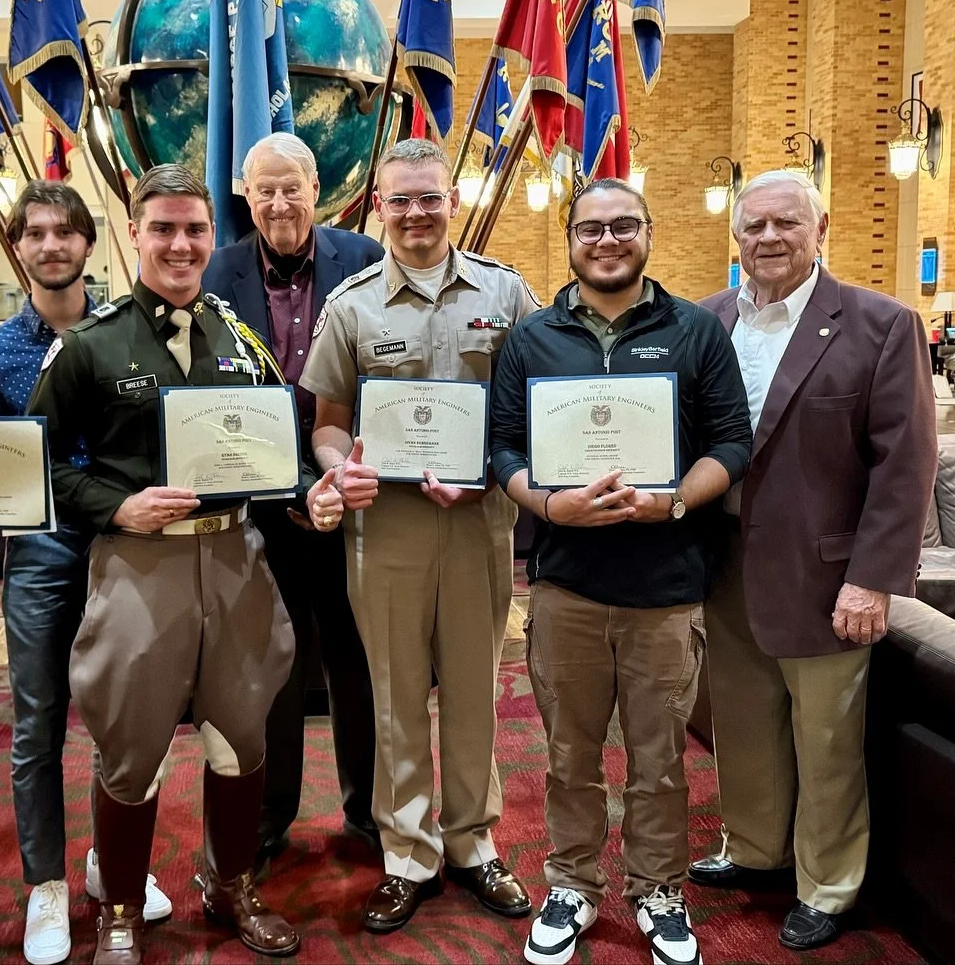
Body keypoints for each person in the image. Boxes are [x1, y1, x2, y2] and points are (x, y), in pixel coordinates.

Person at [25, 163, 346, 965]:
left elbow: (277, 451)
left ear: (213, 235)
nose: (179, 243)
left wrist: (312, 497)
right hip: (140, 567)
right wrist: (113, 505)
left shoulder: (239, 338)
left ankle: (229, 883)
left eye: (194, 229)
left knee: (241, 737)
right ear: (133, 234)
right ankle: (123, 909)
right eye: (162, 228)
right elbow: (33, 463)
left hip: (237, 557)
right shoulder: (91, 346)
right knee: (130, 746)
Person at [487, 178, 753, 965]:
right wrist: (546, 503)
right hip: (567, 583)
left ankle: (657, 888)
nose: (608, 240)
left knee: (659, 758)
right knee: (568, 755)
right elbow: (503, 446)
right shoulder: (532, 337)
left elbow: (732, 445)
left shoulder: (698, 331)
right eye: (591, 228)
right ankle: (571, 881)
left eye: (624, 226)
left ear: (649, 231)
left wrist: (672, 501)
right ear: (569, 238)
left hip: (667, 588)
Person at [689, 170, 937, 951]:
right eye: (753, 225)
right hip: (721, 564)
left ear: (820, 226)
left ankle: (827, 883)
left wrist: (872, 577)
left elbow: (906, 463)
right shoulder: (707, 319)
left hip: (827, 576)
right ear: (736, 237)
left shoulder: (881, 324)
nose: (768, 238)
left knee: (827, 737)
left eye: (785, 223)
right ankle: (757, 848)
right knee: (743, 720)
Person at [299, 138, 538, 933]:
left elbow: (538, 410)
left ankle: (473, 841)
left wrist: (499, 468)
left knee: (475, 690)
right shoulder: (353, 303)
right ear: (379, 209)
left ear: (453, 200)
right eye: (399, 200)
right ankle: (407, 851)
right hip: (387, 527)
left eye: (429, 197)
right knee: (395, 694)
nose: (415, 213)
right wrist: (339, 470)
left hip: (477, 522)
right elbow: (328, 426)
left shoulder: (507, 295)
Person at [0, 181, 171, 965]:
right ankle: (45, 881)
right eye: (35, 233)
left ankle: (111, 864)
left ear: (88, 244)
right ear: (19, 248)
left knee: (123, 720)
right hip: (42, 552)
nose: (51, 245)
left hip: (125, 544)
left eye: (65, 232)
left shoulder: (130, 338)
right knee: (38, 721)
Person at [202, 132, 384, 871]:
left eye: (292, 186)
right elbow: (212, 400)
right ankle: (271, 814)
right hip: (264, 507)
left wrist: (340, 475)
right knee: (270, 671)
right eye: (264, 189)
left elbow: (383, 377)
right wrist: (289, 485)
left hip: (355, 499)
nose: (279, 202)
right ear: (245, 194)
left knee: (359, 666)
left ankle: (369, 813)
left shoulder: (367, 260)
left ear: (319, 188)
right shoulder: (215, 270)